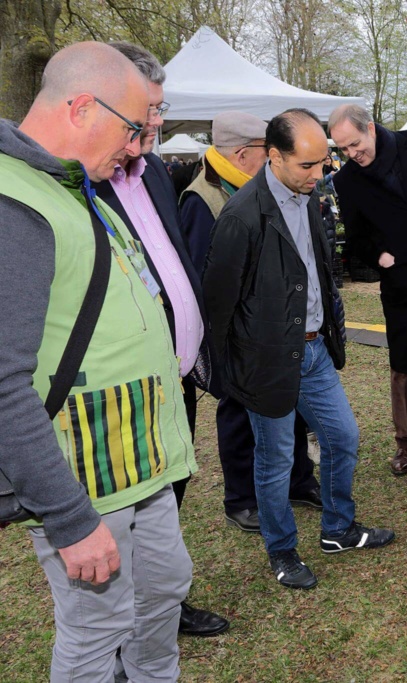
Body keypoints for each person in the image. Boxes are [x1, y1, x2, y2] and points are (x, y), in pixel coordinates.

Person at [0, 42, 196, 680]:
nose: (140, 146)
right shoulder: (16, 203)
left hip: (142, 464)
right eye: (135, 127)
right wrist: (68, 517)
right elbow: (3, 384)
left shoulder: (73, 181)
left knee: (165, 592)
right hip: (86, 475)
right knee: (98, 628)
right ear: (83, 106)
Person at [203, 109, 394, 589]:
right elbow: (219, 305)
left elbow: (319, 272)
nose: (321, 173)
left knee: (343, 438)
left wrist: (329, 329)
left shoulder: (308, 199)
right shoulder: (241, 216)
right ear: (274, 157)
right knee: (275, 461)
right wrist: (232, 373)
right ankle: (282, 551)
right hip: (266, 361)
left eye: (323, 161)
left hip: (313, 352)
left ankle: (337, 529)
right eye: (308, 165)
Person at [92, 41, 228, 639]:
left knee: (167, 500)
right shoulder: (82, 184)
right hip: (120, 388)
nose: (157, 120)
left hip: (174, 376)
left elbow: (171, 261)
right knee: (121, 513)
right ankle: (122, 627)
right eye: (148, 108)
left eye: (159, 107)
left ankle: (162, 609)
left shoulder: (150, 177)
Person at [179, 111, 322, 534]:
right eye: (269, 152)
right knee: (239, 414)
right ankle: (240, 499)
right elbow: (212, 286)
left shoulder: (276, 191)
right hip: (244, 342)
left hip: (283, 334)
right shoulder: (203, 200)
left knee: (290, 405)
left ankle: (298, 480)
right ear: (245, 154)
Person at [329, 104, 407, 477]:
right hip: (400, 281)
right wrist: (380, 256)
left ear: (371, 128)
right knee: (403, 365)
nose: (351, 154)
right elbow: (356, 236)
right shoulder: (346, 180)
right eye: (343, 149)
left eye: (354, 144)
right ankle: (406, 441)